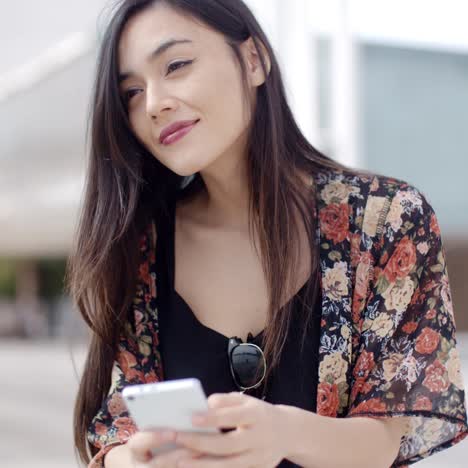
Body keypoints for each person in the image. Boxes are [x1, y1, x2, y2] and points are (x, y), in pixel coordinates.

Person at [67, 1, 468, 467]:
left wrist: (282, 433)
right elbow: (117, 429)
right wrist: (133, 459)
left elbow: (382, 439)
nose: (155, 104)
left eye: (176, 65)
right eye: (132, 92)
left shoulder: (386, 220)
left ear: (254, 59)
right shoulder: (139, 246)